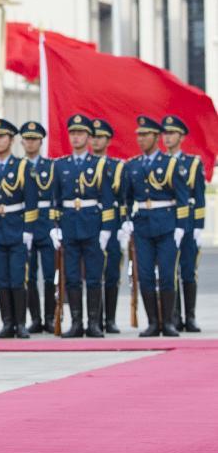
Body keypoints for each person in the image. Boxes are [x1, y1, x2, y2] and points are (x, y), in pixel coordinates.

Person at [50, 114, 116, 338]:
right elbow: (55, 200)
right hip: (69, 225)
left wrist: (107, 228)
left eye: (80, 133)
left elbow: (107, 199)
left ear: (88, 137)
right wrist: (55, 226)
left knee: (95, 276)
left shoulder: (99, 164)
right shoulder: (60, 165)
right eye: (73, 133)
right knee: (72, 277)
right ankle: (77, 322)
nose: (76, 137)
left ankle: (94, 323)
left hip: (93, 226)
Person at [123, 115, 188, 336]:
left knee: (167, 274)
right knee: (146, 275)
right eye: (139, 135)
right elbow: (127, 199)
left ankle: (168, 322)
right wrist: (127, 222)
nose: (141, 139)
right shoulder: (132, 165)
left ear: (156, 137)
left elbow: (182, 197)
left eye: (145, 135)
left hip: (167, 224)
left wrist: (180, 226)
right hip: (143, 226)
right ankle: (152, 322)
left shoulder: (171, 164)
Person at [0, 119, 37, 339]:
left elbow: (31, 201)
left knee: (18, 278)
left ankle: (21, 323)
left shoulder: (22, 166)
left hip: (16, 228)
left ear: (11, 139)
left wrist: (28, 230)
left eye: (1, 137)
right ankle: (7, 322)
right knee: (2, 279)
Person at [161, 114, 205, 332]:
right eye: (165, 134)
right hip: (167, 223)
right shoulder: (159, 162)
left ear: (181, 137)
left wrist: (198, 226)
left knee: (188, 271)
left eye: (171, 134)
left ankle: (190, 316)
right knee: (169, 271)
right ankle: (173, 316)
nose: (167, 138)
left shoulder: (192, 163)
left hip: (187, 223)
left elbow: (198, 196)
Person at [90, 119, 127, 333]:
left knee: (111, 273)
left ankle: (110, 319)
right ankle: (95, 318)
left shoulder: (116, 167)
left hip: (112, 228)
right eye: (93, 136)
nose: (96, 141)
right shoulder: (84, 165)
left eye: (100, 137)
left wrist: (123, 227)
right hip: (89, 226)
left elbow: (123, 200)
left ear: (108, 140)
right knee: (93, 274)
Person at [20, 121, 56, 333]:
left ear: (41, 142)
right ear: (22, 142)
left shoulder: (51, 167)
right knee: (29, 275)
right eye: (27, 139)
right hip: (26, 224)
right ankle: (35, 318)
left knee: (50, 274)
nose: (30, 143)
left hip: (47, 224)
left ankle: (51, 317)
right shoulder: (18, 167)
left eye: (34, 139)